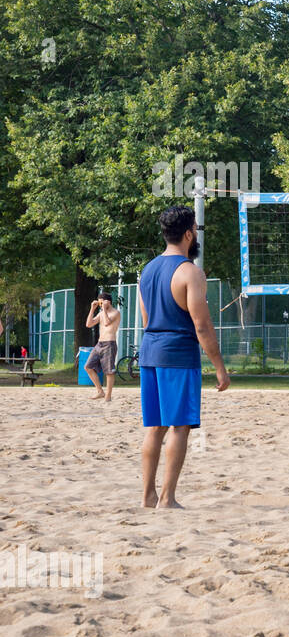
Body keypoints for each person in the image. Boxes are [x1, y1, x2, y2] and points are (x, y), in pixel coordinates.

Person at [137, 206, 230, 508]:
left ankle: (148, 496)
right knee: (179, 427)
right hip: (177, 354)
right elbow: (201, 325)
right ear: (189, 233)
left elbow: (145, 317)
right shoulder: (191, 272)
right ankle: (168, 498)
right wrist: (220, 368)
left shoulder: (147, 271)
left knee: (154, 427)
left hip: (150, 351)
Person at [84, 290, 122, 402]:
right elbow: (88, 324)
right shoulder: (101, 313)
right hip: (99, 344)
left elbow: (106, 323)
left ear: (108, 302)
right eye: (99, 303)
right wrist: (92, 309)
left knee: (109, 371)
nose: (100, 305)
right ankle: (100, 391)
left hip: (109, 344)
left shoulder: (116, 312)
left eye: (102, 302)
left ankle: (108, 396)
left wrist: (104, 309)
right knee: (88, 367)